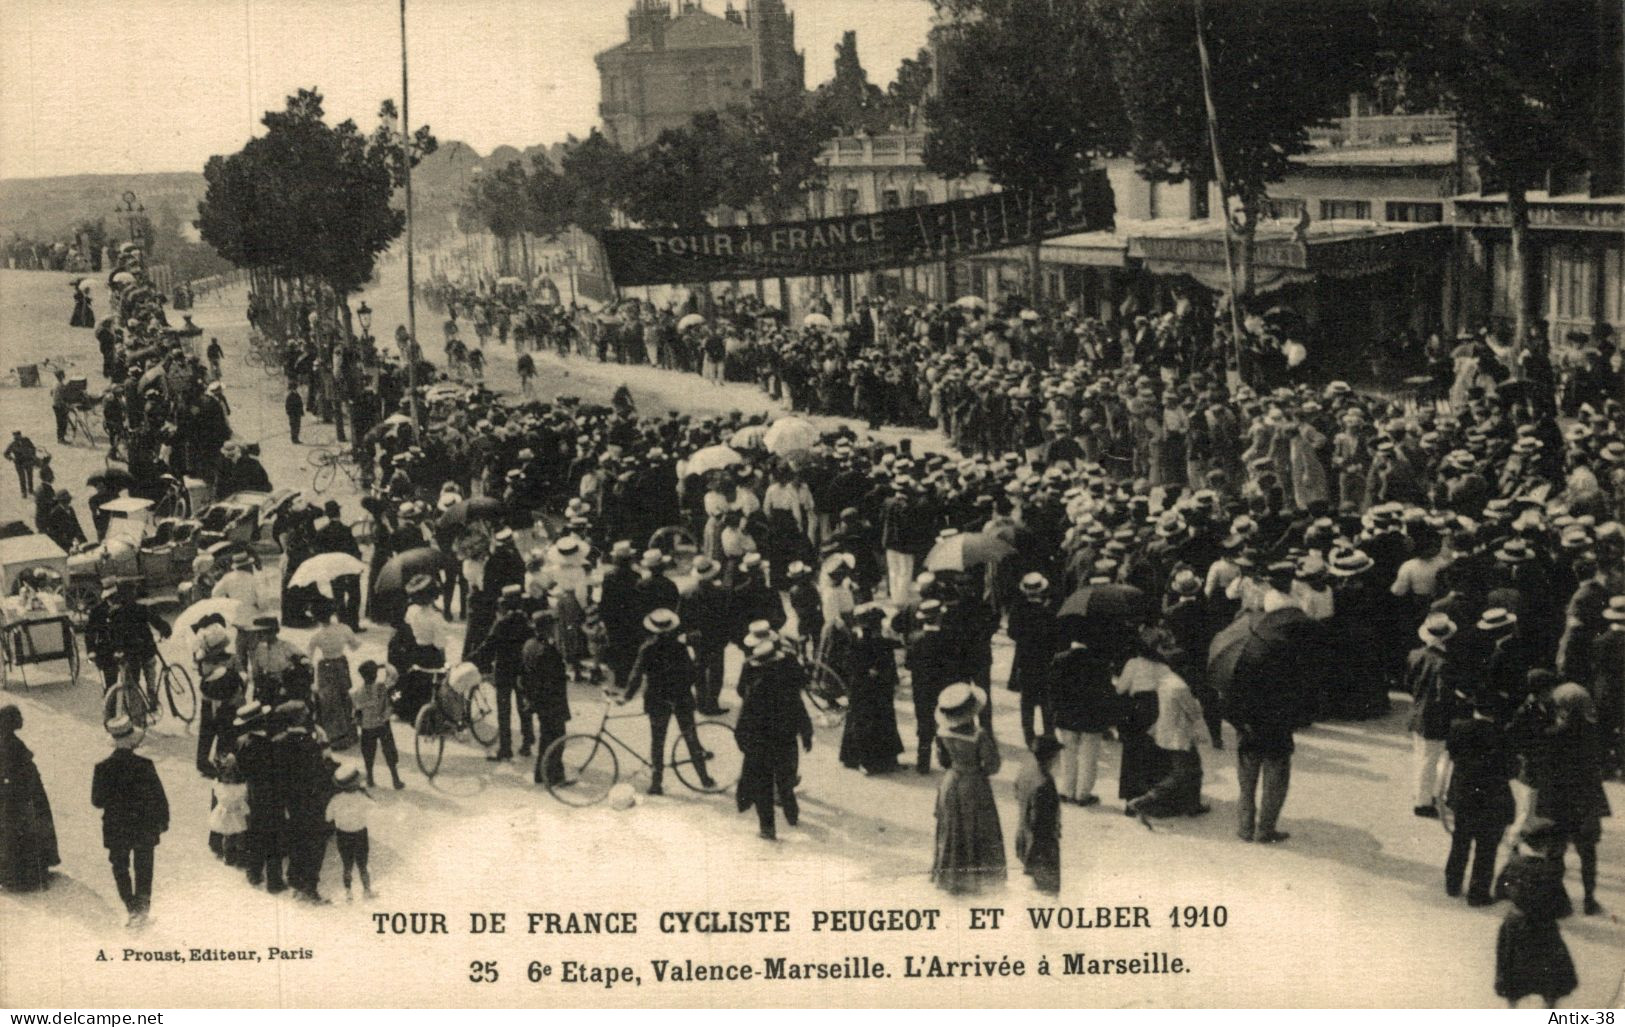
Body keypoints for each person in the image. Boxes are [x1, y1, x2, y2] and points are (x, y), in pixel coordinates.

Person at [620, 609, 712, 796]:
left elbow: (636, 675)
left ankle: (656, 783)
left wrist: (627, 696)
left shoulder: (647, 648)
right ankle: (704, 778)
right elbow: (691, 674)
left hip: (657, 700)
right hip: (681, 698)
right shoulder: (679, 648)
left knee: (658, 741)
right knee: (690, 737)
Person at [91, 715, 169, 928]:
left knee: (120, 866)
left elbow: (97, 801)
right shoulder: (145, 765)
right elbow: (159, 797)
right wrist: (163, 821)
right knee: (144, 866)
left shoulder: (102, 768)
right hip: (144, 825)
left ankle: (131, 907)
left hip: (116, 826)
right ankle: (143, 909)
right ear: (132, 740)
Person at [930, 684, 1006, 895]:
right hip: (974, 784)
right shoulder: (979, 735)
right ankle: (978, 879)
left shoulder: (942, 733)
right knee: (978, 828)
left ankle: (952, 877)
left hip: (951, 782)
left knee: (953, 829)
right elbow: (993, 765)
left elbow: (943, 761)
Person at [733, 640, 814, 840]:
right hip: (785, 741)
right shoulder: (786, 683)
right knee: (785, 782)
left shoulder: (755, 687)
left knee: (763, 787)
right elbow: (799, 709)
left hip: (761, 745)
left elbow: (743, 720)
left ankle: (767, 828)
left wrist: (745, 745)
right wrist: (806, 734)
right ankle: (792, 815)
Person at [1495, 819, 1578, 1008]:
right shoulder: (1549, 873)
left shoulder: (1513, 864)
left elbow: (1500, 891)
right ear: (1549, 847)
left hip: (1514, 924)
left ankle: (1512, 1008)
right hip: (1542, 929)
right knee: (1551, 976)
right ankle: (1549, 1009)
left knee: (1512, 973)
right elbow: (1563, 908)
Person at [1444, 688, 1516, 905]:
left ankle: (1452, 883)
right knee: (1487, 847)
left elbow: (1452, 756)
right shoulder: (1503, 736)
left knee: (1461, 840)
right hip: (1492, 799)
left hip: (1463, 794)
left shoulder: (1457, 728)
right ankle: (1478, 892)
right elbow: (1511, 770)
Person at [837, 603, 904, 774]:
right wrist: (867, 671)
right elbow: (848, 666)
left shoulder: (879, 642)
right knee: (864, 722)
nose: (877, 627)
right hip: (864, 688)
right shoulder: (856, 643)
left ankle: (885, 758)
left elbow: (889, 663)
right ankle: (864, 760)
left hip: (877, 688)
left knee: (880, 720)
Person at [0, 704, 59, 892]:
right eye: (19, 717)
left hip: (13, 794)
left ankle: (15, 873)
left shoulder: (7, 740)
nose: (22, 720)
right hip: (24, 794)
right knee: (30, 830)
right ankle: (29, 874)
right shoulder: (12, 743)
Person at [1406, 612, 1460, 818]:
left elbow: (1409, 683)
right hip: (1435, 716)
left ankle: (1420, 793)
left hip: (1418, 711)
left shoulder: (1415, 655)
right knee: (1431, 759)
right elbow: (1443, 695)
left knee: (1421, 756)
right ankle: (1423, 802)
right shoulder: (1444, 663)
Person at [522, 610, 571, 786]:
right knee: (557, 740)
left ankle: (540, 774)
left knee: (546, 739)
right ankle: (554, 777)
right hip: (552, 703)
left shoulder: (529, 645)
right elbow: (551, 681)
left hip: (539, 702)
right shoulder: (547, 651)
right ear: (547, 628)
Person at [1014, 735, 1063, 895]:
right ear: (1052, 757)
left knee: (1035, 886)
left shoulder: (1026, 770)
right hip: (1042, 847)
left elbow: (1016, 791)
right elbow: (1041, 822)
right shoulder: (1044, 783)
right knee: (1047, 891)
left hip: (1024, 835)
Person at [308, 603, 360, 750]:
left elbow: (309, 656)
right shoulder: (343, 629)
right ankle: (350, 733)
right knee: (344, 696)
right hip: (341, 664)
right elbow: (355, 646)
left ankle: (334, 736)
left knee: (329, 700)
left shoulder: (317, 636)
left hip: (325, 667)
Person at [351, 661, 404, 790]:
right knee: (389, 751)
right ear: (375, 674)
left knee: (368, 753)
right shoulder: (381, 687)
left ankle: (370, 778)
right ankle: (395, 780)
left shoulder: (357, 692)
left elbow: (356, 712)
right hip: (382, 725)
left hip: (367, 727)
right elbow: (394, 676)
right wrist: (385, 665)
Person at [326, 765, 375, 901]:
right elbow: (373, 807)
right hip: (360, 834)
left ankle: (348, 892)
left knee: (347, 865)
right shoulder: (362, 798)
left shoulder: (335, 800)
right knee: (363, 865)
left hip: (343, 835)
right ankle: (367, 891)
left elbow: (328, 817)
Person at [208, 754, 249, 868]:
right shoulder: (231, 787)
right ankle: (231, 856)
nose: (229, 778)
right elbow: (243, 796)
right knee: (231, 836)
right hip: (232, 813)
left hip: (231, 813)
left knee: (236, 837)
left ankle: (236, 856)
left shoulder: (225, 786)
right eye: (227, 776)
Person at [4, 430, 37, 498]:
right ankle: (24, 492)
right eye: (16, 436)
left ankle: (31, 490)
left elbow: (33, 448)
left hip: (28, 461)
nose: (17, 437)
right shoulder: (12, 444)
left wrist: (33, 456)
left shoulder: (26, 440)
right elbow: (5, 454)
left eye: (18, 435)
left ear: (20, 435)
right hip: (19, 463)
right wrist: (11, 458)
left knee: (30, 476)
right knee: (22, 478)